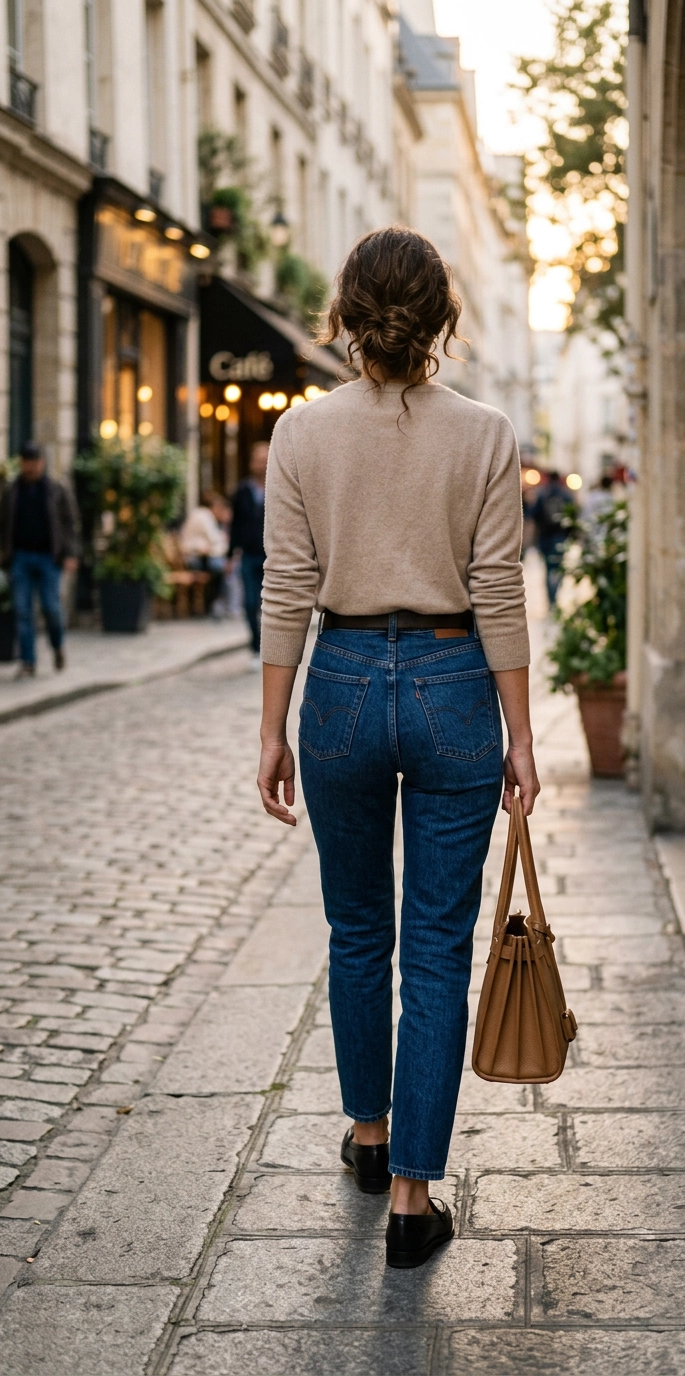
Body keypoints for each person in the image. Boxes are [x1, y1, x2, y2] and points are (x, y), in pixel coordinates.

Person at [257, 227, 540, 1269]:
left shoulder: (301, 433)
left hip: (337, 681)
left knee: (356, 928)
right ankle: (414, 1201)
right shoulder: (485, 433)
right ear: (442, 320)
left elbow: (287, 585)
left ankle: (369, 1136)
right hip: (453, 679)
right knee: (435, 944)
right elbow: (499, 586)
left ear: (343, 315)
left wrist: (271, 729)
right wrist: (520, 733)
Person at [0, 442, 79, 678]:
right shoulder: (11, 491)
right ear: (22, 463)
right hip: (20, 557)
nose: (31, 467)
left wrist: (71, 553)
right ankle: (28, 661)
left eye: (35, 462)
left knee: (51, 608)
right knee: (23, 611)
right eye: (27, 462)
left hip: (49, 558)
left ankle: (57, 645)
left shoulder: (56, 489)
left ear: (42, 463)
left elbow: (70, 523)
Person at [228, 442, 267, 667]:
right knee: (250, 602)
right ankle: (255, 646)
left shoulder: (280, 488)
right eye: (258, 460)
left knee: (272, 606)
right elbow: (235, 525)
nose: (261, 464)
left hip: (273, 556)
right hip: (249, 555)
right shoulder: (243, 491)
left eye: (265, 460)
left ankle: (271, 649)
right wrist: (229, 555)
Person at [180, 491, 229, 612]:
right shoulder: (205, 516)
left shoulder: (196, 513)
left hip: (190, 556)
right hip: (194, 558)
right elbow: (215, 539)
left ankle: (214, 603)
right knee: (220, 566)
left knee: (220, 565)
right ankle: (214, 603)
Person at [532, 469, 570, 607]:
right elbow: (572, 515)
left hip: (545, 537)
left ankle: (551, 600)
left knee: (548, 569)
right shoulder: (566, 495)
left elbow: (534, 515)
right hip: (560, 536)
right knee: (559, 568)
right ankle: (556, 595)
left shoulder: (542, 494)